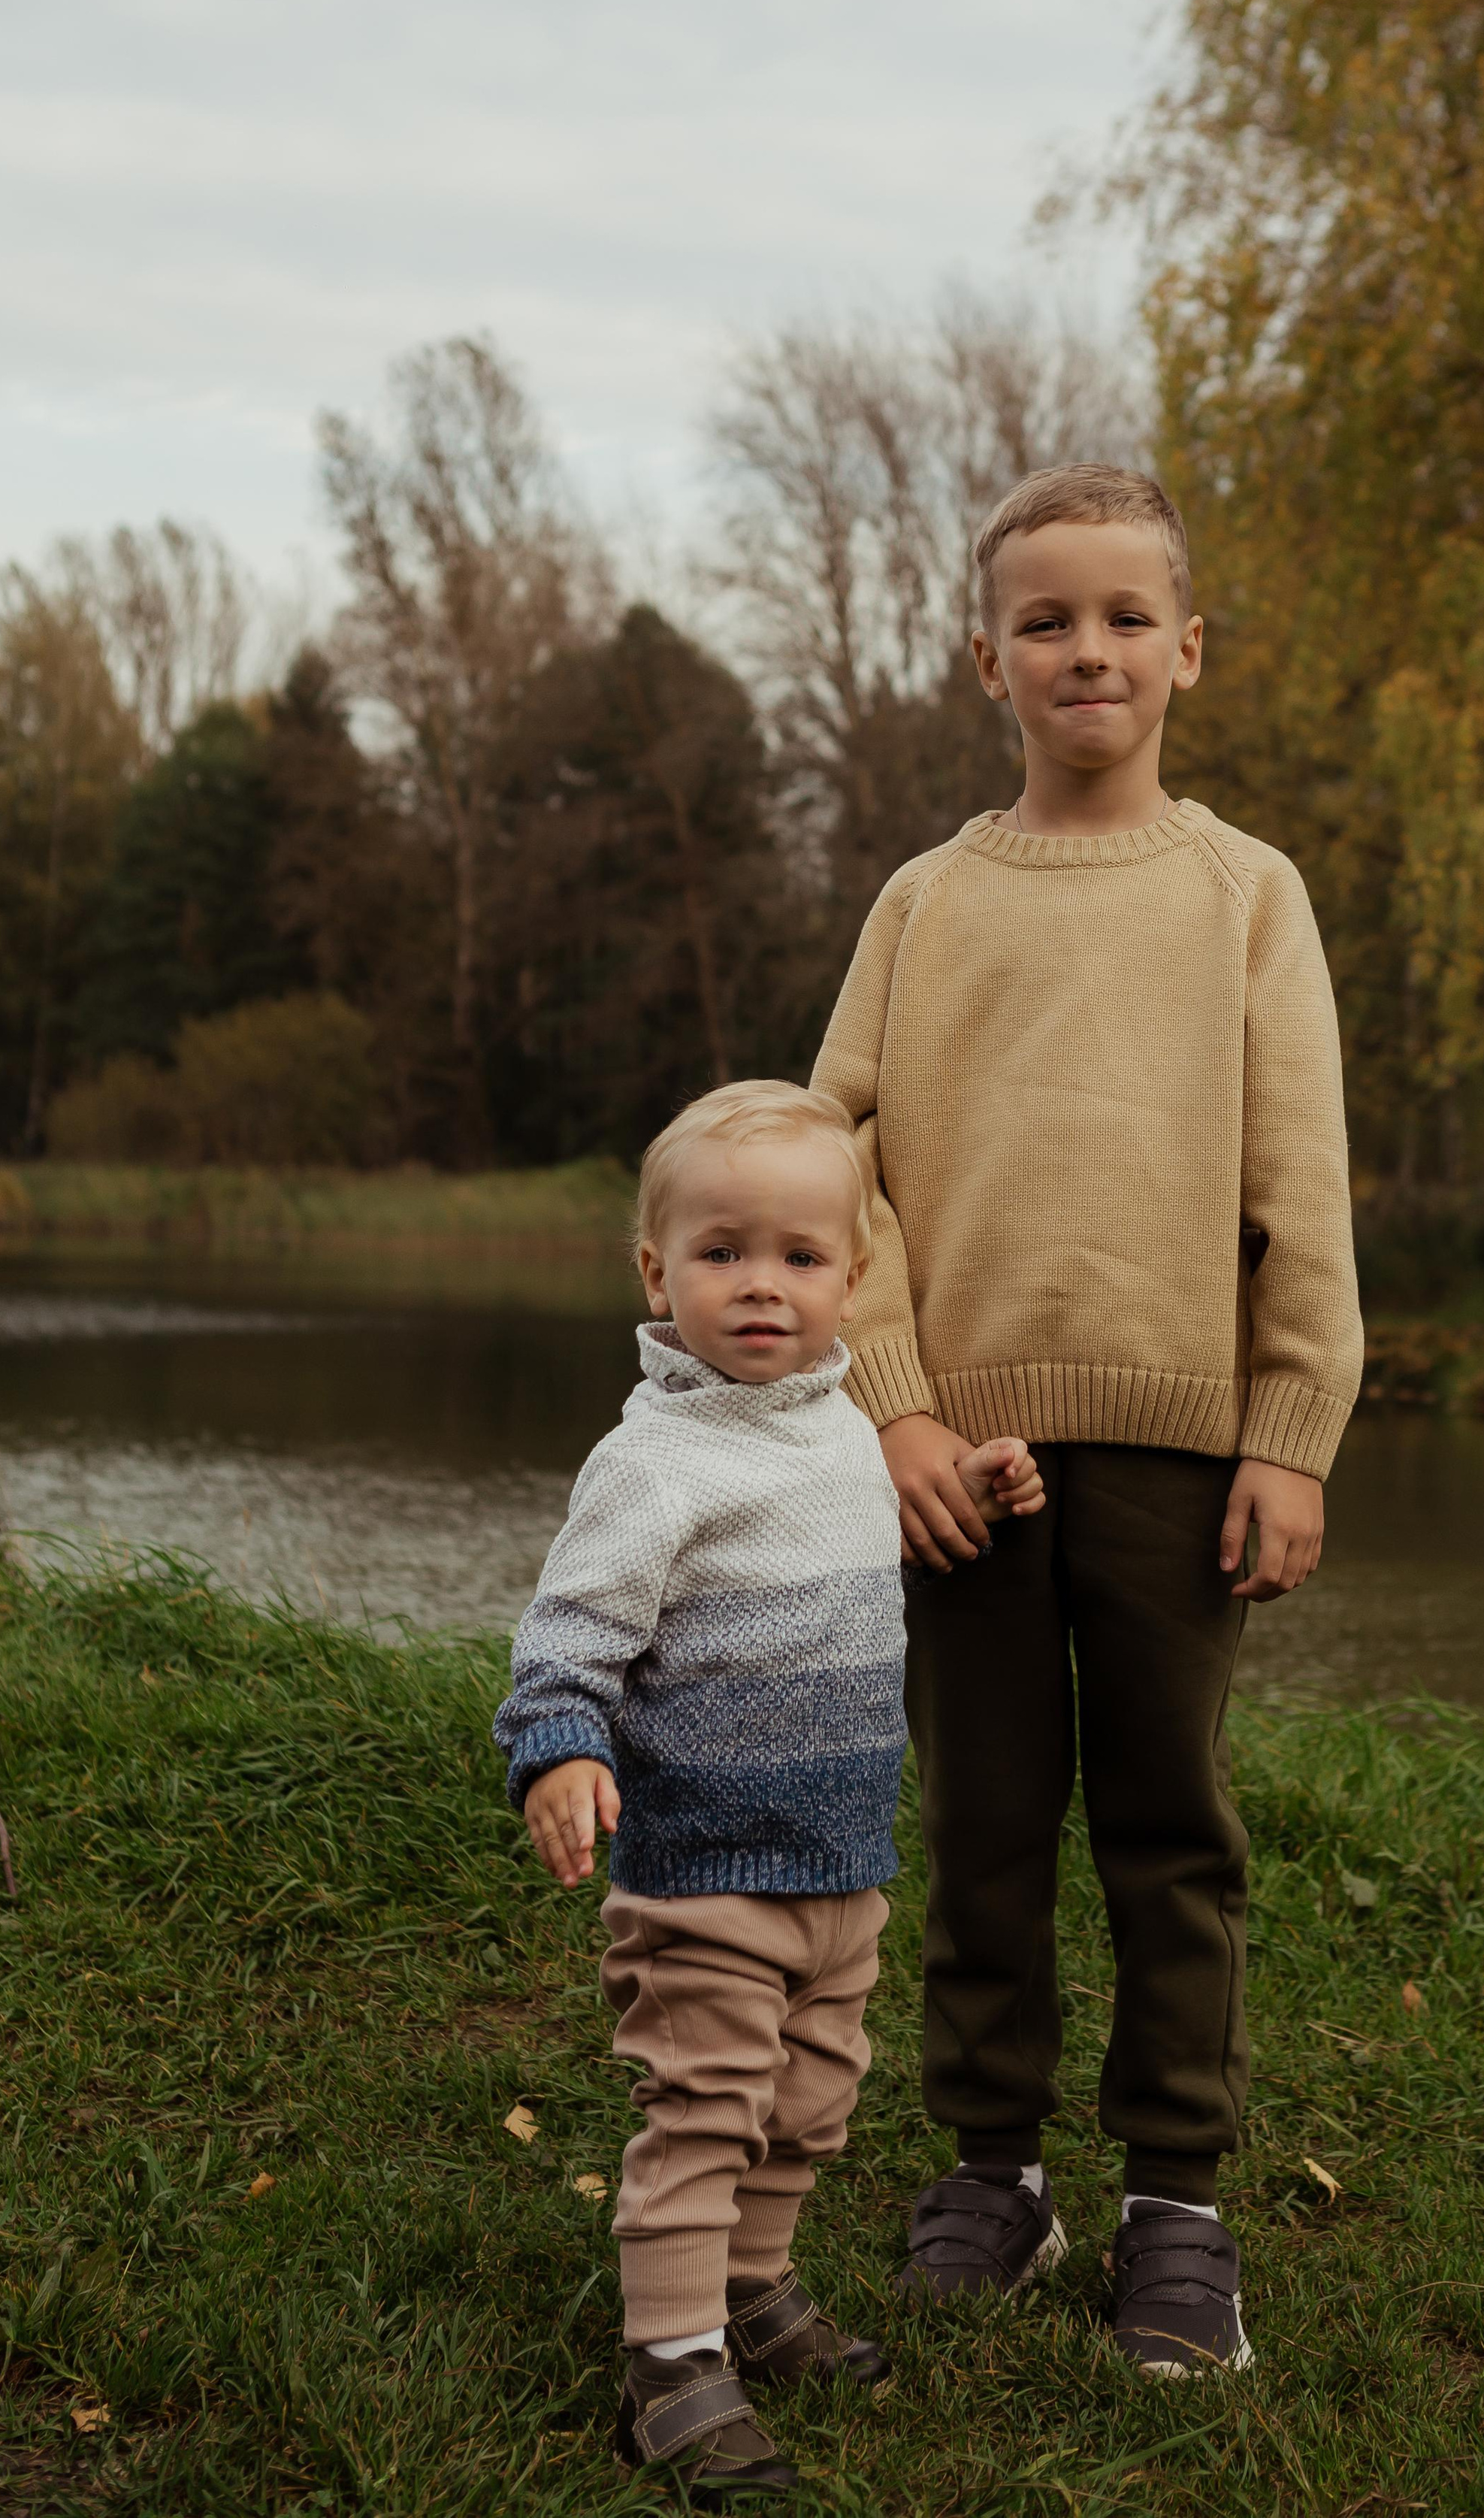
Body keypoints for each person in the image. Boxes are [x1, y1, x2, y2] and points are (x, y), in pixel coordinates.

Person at [812, 464, 1364, 2377]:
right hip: (954, 1457)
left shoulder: (1241, 897)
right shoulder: (923, 901)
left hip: (1178, 1452)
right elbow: (832, 1175)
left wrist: (1287, 1427)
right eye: (1045, 620)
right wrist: (888, 1412)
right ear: (986, 658)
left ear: (1187, 651)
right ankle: (991, 2172)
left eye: (1126, 617)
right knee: (978, 1818)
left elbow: (1303, 1178)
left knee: (1164, 1821)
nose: (1088, 649)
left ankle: (1177, 2207)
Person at [493, 1079, 1039, 2501]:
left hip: (841, 1867)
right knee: (709, 2108)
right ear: (655, 1273)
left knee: (807, 2108)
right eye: (722, 1253)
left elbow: (870, 1558)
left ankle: (753, 2290)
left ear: (853, 1279)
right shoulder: (655, 1462)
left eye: (800, 1259)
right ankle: (671, 2366)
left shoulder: (845, 1436)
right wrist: (560, 1748)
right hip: (706, 1872)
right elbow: (569, 1640)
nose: (760, 1287)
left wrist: (974, 1483)